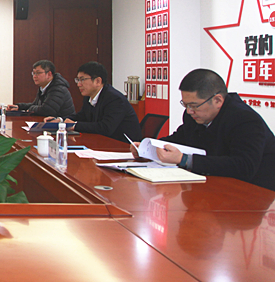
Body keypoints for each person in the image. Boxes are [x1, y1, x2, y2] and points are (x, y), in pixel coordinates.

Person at [131, 69, 275, 191]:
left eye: (194, 105)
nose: (189, 111)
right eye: (185, 105)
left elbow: (243, 167)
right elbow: (179, 138)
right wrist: (148, 149)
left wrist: (184, 160)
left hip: (252, 192)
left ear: (218, 100)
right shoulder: (194, 116)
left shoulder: (245, 120)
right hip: (211, 186)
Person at [46, 61, 141, 142]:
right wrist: (61, 120)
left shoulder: (115, 99)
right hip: (102, 143)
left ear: (98, 81)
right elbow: (82, 116)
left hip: (122, 147)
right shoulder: (89, 96)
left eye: (82, 79)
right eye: (78, 80)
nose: (79, 84)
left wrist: (75, 126)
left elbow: (105, 128)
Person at [8, 60, 75, 118]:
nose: (34, 76)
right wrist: (19, 107)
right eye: (34, 73)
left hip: (64, 126)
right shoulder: (43, 87)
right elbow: (35, 105)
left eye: (38, 73)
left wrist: (31, 109)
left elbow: (47, 110)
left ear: (49, 74)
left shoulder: (58, 89)